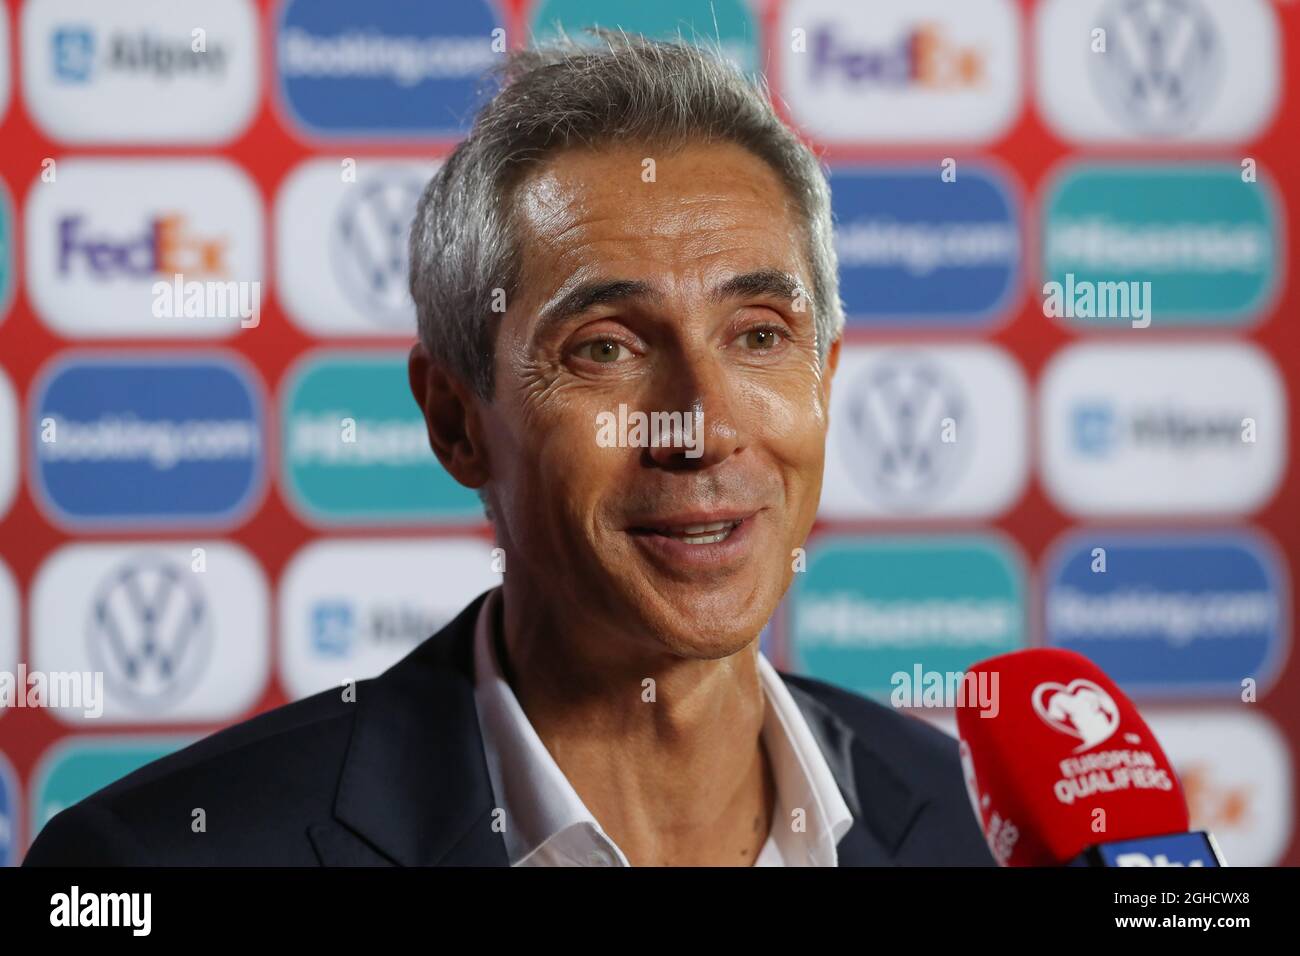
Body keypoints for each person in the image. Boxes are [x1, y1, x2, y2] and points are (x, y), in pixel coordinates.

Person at [25, 31, 995, 867]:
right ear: (455, 419)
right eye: (605, 347)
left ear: (824, 377)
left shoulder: (970, 820)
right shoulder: (158, 859)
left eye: (757, 334)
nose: (702, 426)